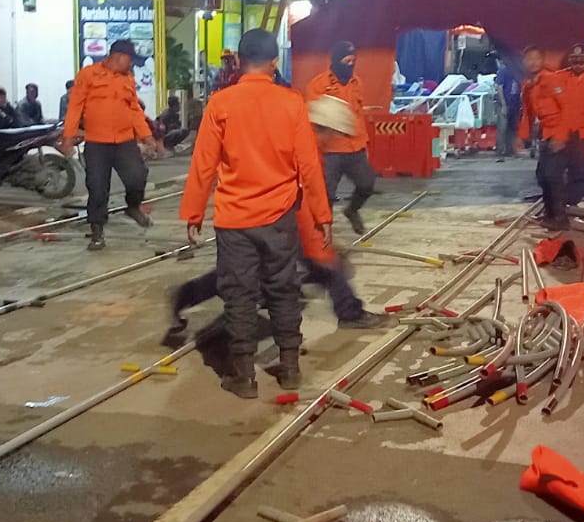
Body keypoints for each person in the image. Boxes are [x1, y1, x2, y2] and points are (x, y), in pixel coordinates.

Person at [163, 95, 385, 348]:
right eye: (335, 135)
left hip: (265, 215)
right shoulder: (305, 148)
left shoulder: (299, 140)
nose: (336, 142)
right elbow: (305, 208)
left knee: (247, 272)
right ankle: (349, 312)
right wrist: (322, 251)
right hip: (273, 218)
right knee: (321, 270)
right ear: (321, 129)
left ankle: (185, 295)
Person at [181, 29, 331, 398]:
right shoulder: (292, 102)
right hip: (279, 217)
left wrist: (193, 212)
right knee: (283, 288)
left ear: (240, 62)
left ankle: (244, 376)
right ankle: (291, 367)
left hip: (234, 220)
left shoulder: (221, 103)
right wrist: (321, 214)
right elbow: (309, 165)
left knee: (239, 295)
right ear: (275, 61)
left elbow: (204, 164)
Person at [63, 40, 158, 250]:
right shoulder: (88, 75)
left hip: (124, 142)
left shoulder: (128, 79)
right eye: (130, 60)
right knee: (97, 187)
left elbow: (134, 111)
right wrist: (68, 139)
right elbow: (74, 108)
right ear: (119, 56)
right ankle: (97, 230)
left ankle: (133, 207)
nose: (131, 65)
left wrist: (147, 137)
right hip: (97, 143)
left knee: (137, 177)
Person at [304, 41, 375, 234]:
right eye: (346, 60)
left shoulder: (356, 83)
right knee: (325, 196)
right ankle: (322, 236)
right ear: (336, 61)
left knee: (367, 184)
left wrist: (365, 145)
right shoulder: (318, 85)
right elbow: (312, 118)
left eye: (353, 61)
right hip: (330, 152)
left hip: (355, 148)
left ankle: (352, 210)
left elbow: (358, 116)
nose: (350, 65)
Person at [517, 48, 573, 229]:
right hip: (546, 133)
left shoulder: (552, 79)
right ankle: (550, 215)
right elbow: (527, 114)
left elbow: (567, 108)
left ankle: (561, 218)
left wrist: (561, 137)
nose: (533, 62)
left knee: (552, 175)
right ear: (524, 62)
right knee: (542, 176)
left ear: (542, 60)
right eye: (529, 59)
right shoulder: (528, 85)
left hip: (559, 132)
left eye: (536, 58)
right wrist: (521, 137)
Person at [561, 44, 584, 205]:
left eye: (581, 60)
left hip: (582, 134)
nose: (577, 63)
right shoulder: (560, 79)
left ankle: (572, 201)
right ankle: (559, 199)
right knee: (556, 168)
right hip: (562, 132)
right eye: (574, 60)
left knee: (578, 168)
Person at [494, 55, 522, 161]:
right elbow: (499, 87)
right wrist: (504, 105)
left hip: (515, 103)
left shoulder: (518, 71)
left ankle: (511, 150)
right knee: (502, 127)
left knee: (513, 128)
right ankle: (500, 150)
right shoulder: (503, 70)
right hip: (504, 103)